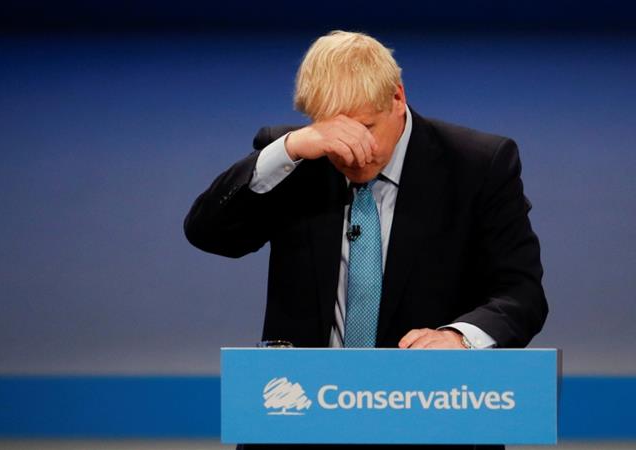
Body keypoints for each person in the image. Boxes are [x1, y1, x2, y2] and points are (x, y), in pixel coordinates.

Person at [184, 30, 548, 450]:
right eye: (334, 130)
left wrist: (460, 338)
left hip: (431, 422)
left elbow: (521, 293)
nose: (353, 151)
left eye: (366, 129)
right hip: (302, 426)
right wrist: (290, 148)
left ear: (397, 97)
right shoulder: (299, 161)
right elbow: (207, 232)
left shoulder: (479, 165)